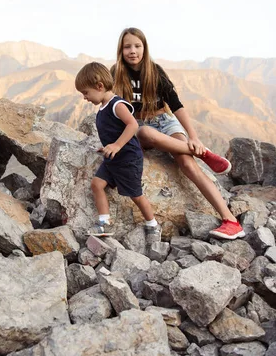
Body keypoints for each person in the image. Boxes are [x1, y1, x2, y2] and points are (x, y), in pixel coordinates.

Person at [111, 27, 245, 240]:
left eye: (137, 46)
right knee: (144, 132)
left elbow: (176, 105)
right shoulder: (116, 74)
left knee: (187, 163)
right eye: (127, 46)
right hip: (139, 125)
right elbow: (113, 107)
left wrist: (193, 137)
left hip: (165, 120)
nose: (133, 51)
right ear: (121, 49)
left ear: (145, 48)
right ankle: (203, 153)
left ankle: (231, 221)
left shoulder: (155, 71)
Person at [75, 61, 161, 240]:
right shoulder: (103, 108)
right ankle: (104, 222)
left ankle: (152, 224)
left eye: (86, 92)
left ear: (99, 86)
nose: (85, 97)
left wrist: (117, 145)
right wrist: (108, 147)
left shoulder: (117, 105)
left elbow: (132, 124)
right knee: (97, 184)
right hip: (112, 159)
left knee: (136, 195)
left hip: (127, 159)